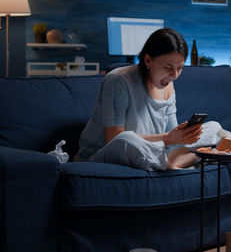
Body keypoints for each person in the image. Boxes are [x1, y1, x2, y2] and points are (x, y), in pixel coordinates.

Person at [74, 28, 221, 170]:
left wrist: (183, 136)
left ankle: (170, 163)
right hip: (108, 153)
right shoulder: (119, 80)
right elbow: (113, 139)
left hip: (154, 150)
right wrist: (169, 138)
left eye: (180, 68)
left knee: (214, 128)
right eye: (168, 67)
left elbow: (173, 139)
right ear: (148, 60)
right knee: (126, 140)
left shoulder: (169, 86)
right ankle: (172, 163)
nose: (175, 75)